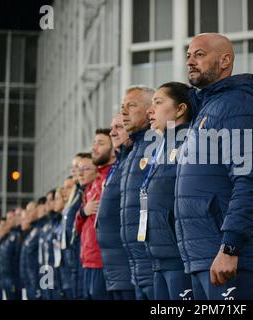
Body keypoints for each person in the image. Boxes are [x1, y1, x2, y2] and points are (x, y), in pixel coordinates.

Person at [175, 33, 253, 300]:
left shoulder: (238, 105)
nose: (190, 62)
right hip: (202, 255)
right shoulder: (209, 108)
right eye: (188, 56)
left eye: (199, 54)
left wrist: (230, 247)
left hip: (226, 255)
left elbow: (249, 181)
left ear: (225, 60)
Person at [144, 82, 194, 300]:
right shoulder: (163, 145)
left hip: (178, 255)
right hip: (158, 256)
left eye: (158, 102)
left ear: (180, 109)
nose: (150, 110)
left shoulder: (189, 143)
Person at [119, 86, 156, 300]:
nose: (124, 112)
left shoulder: (158, 144)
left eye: (131, 106)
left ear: (151, 110)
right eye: (122, 107)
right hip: (135, 262)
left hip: (152, 260)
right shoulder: (134, 150)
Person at [96, 113, 136, 300]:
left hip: (126, 261)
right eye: (112, 128)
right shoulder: (120, 163)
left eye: (119, 127)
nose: (112, 132)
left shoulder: (133, 160)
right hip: (111, 264)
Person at [75, 130, 114, 300]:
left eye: (101, 143)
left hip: (101, 259)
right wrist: (83, 212)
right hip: (87, 259)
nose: (94, 147)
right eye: (94, 143)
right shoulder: (92, 186)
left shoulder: (108, 179)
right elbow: (76, 227)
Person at [61, 154, 88, 299]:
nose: (74, 171)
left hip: (80, 254)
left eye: (78, 167)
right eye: (74, 167)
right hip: (72, 256)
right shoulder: (76, 194)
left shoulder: (82, 192)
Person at [21, 200, 42, 300]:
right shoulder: (31, 232)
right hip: (30, 283)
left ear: (37, 210)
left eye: (30, 211)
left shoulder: (40, 230)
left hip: (38, 284)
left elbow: (45, 261)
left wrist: (45, 285)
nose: (27, 214)